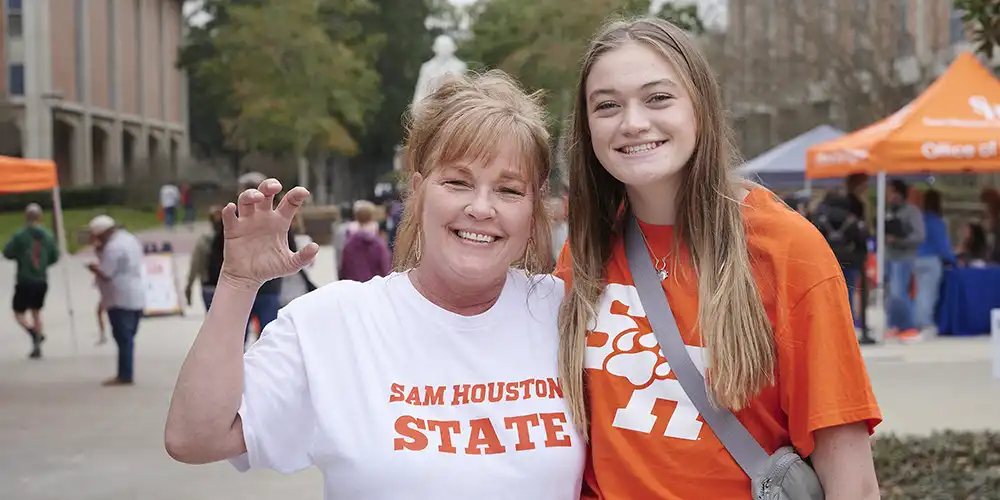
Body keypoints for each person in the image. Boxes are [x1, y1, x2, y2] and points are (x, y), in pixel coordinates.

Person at [164, 71, 585, 499]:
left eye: (509, 190)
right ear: (418, 193)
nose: (481, 208)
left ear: (535, 207)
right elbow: (195, 437)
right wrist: (238, 283)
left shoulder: (569, 315)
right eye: (457, 182)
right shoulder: (333, 322)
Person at [554, 17, 881, 499]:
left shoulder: (786, 249)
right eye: (607, 105)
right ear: (587, 127)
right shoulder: (582, 253)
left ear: (700, 109)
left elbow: (851, 478)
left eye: (658, 97)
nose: (633, 122)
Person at [86, 215, 146, 386]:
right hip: (135, 292)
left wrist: (93, 268)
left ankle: (125, 374)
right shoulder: (129, 239)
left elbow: (106, 273)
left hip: (119, 296)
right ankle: (125, 371)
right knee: (129, 335)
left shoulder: (113, 248)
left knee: (123, 337)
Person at [811, 191, 872, 343]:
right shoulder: (852, 221)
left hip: (826, 264)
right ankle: (846, 328)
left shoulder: (821, 220)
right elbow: (862, 243)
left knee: (826, 297)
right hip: (849, 263)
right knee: (848, 295)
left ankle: (829, 329)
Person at [3, 203, 59, 359]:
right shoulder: (48, 236)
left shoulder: (20, 235)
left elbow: (7, 253)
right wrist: (43, 263)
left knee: (18, 312)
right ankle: (37, 345)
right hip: (41, 279)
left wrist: (20, 256)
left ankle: (33, 333)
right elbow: (54, 257)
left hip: (24, 279)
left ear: (25, 217)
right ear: (40, 217)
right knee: (36, 312)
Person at [884, 179, 925, 341]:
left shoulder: (912, 212)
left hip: (904, 257)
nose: (889, 196)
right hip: (889, 256)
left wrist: (899, 240)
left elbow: (920, 236)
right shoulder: (888, 211)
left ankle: (909, 326)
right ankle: (895, 325)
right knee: (890, 294)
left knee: (899, 292)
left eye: (891, 192)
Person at [914, 189, 955, 337]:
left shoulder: (920, 218)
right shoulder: (936, 221)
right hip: (931, 260)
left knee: (920, 292)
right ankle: (925, 323)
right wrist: (952, 260)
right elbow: (942, 244)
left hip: (917, 258)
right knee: (929, 293)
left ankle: (918, 321)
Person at [338, 200, 391, 283]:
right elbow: (385, 268)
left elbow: (343, 269)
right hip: (374, 288)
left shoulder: (349, 242)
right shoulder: (378, 243)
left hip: (354, 288)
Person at [186, 206, 223, 311]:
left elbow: (195, 264)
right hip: (227, 287)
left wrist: (189, 287)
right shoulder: (233, 240)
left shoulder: (204, 240)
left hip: (208, 285)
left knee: (212, 321)